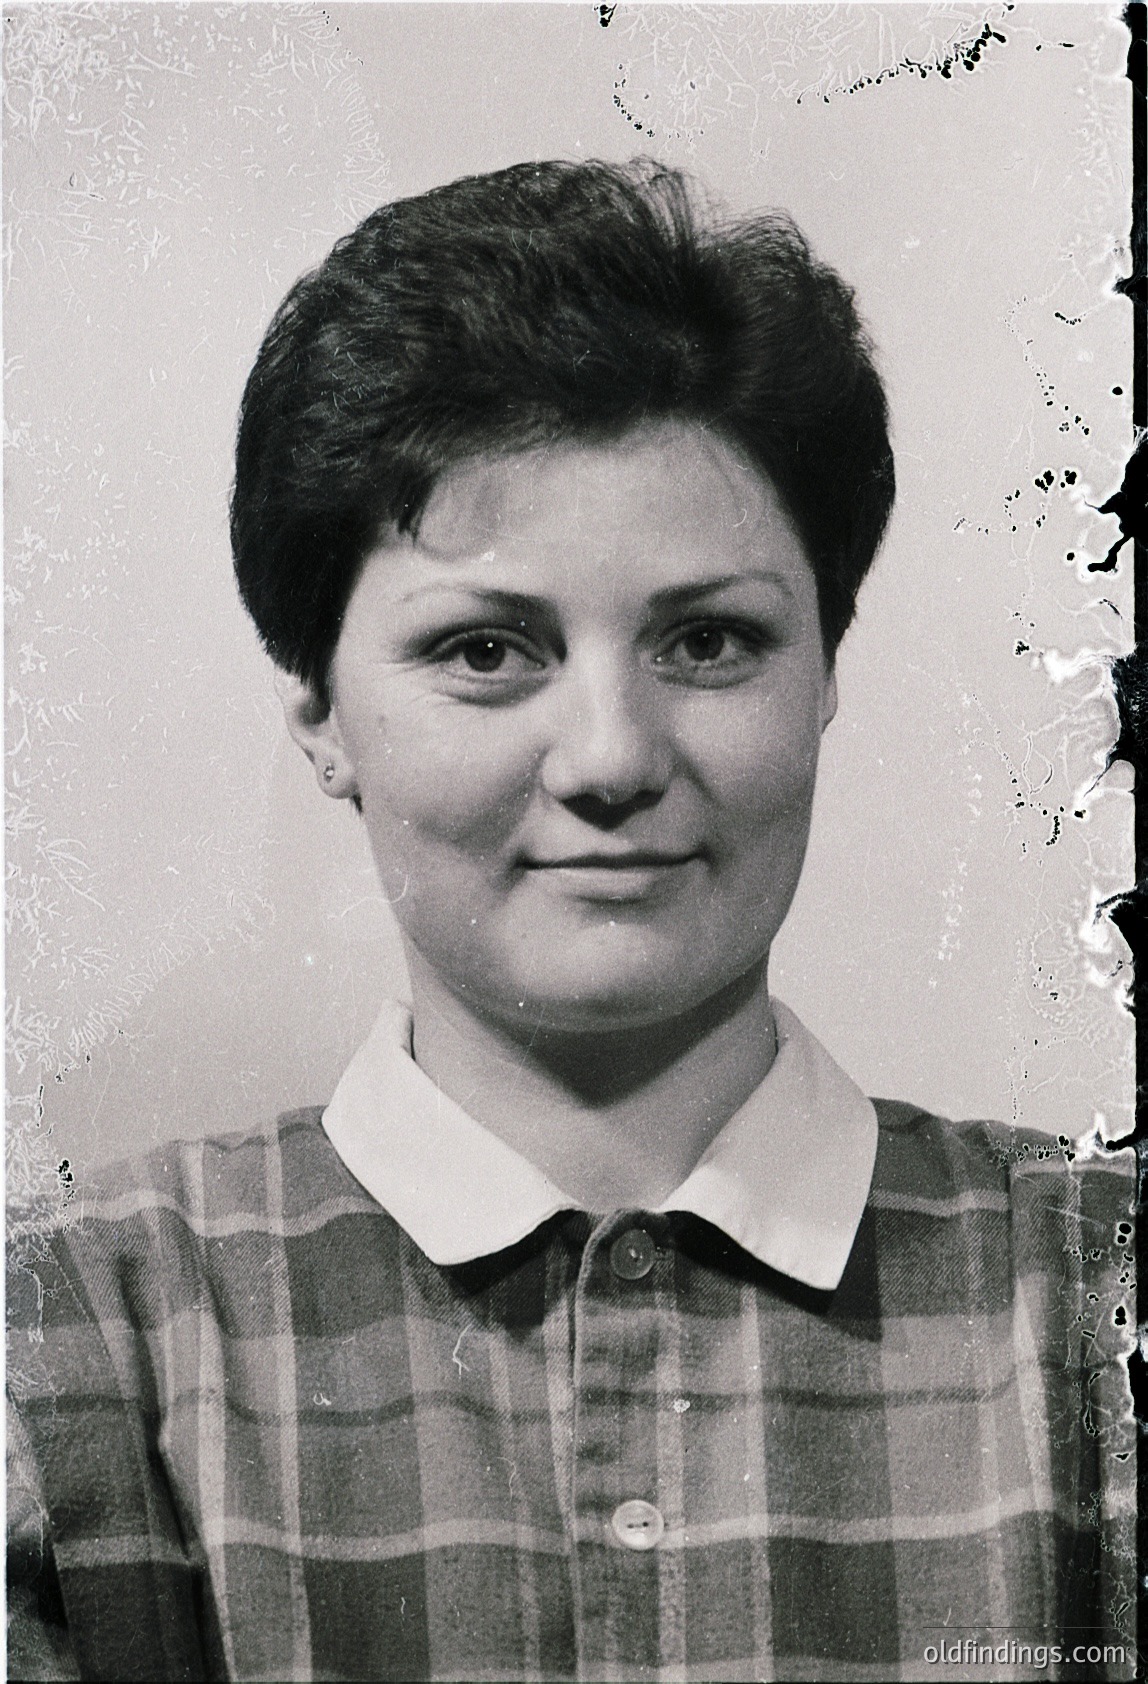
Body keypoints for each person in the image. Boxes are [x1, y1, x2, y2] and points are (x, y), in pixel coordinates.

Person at [7, 159, 1134, 1683]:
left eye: (709, 641)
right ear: (319, 712)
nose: (610, 758)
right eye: (486, 651)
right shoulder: (67, 1345)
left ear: (825, 672)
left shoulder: (1101, 1299)